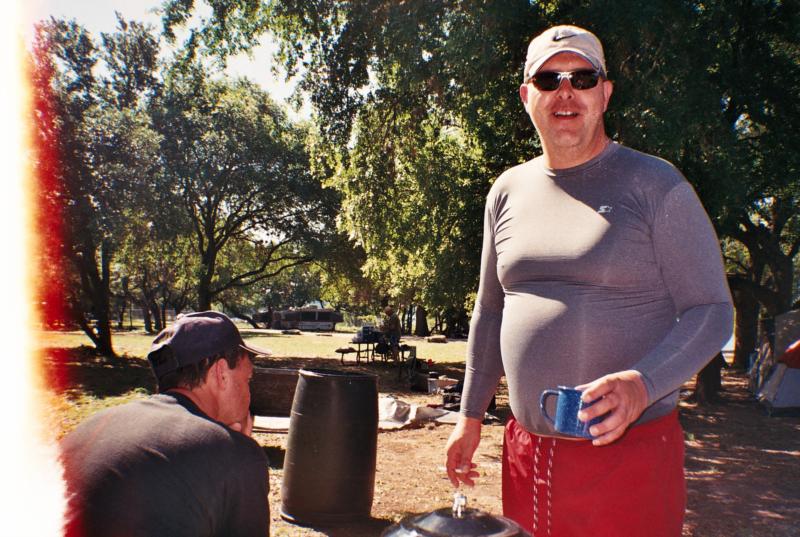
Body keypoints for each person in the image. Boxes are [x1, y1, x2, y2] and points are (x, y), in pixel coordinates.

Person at [445, 25, 733, 537]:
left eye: (582, 77)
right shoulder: (506, 191)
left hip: (630, 457)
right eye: (549, 78)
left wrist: (642, 384)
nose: (565, 92)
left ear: (605, 92)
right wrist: (469, 415)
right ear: (526, 94)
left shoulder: (655, 184)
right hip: (526, 457)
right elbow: (490, 310)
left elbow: (712, 309)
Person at [60, 311, 272, 537]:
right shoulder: (235, 456)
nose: (249, 392)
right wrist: (238, 453)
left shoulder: (92, 426)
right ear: (221, 373)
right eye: (247, 379)